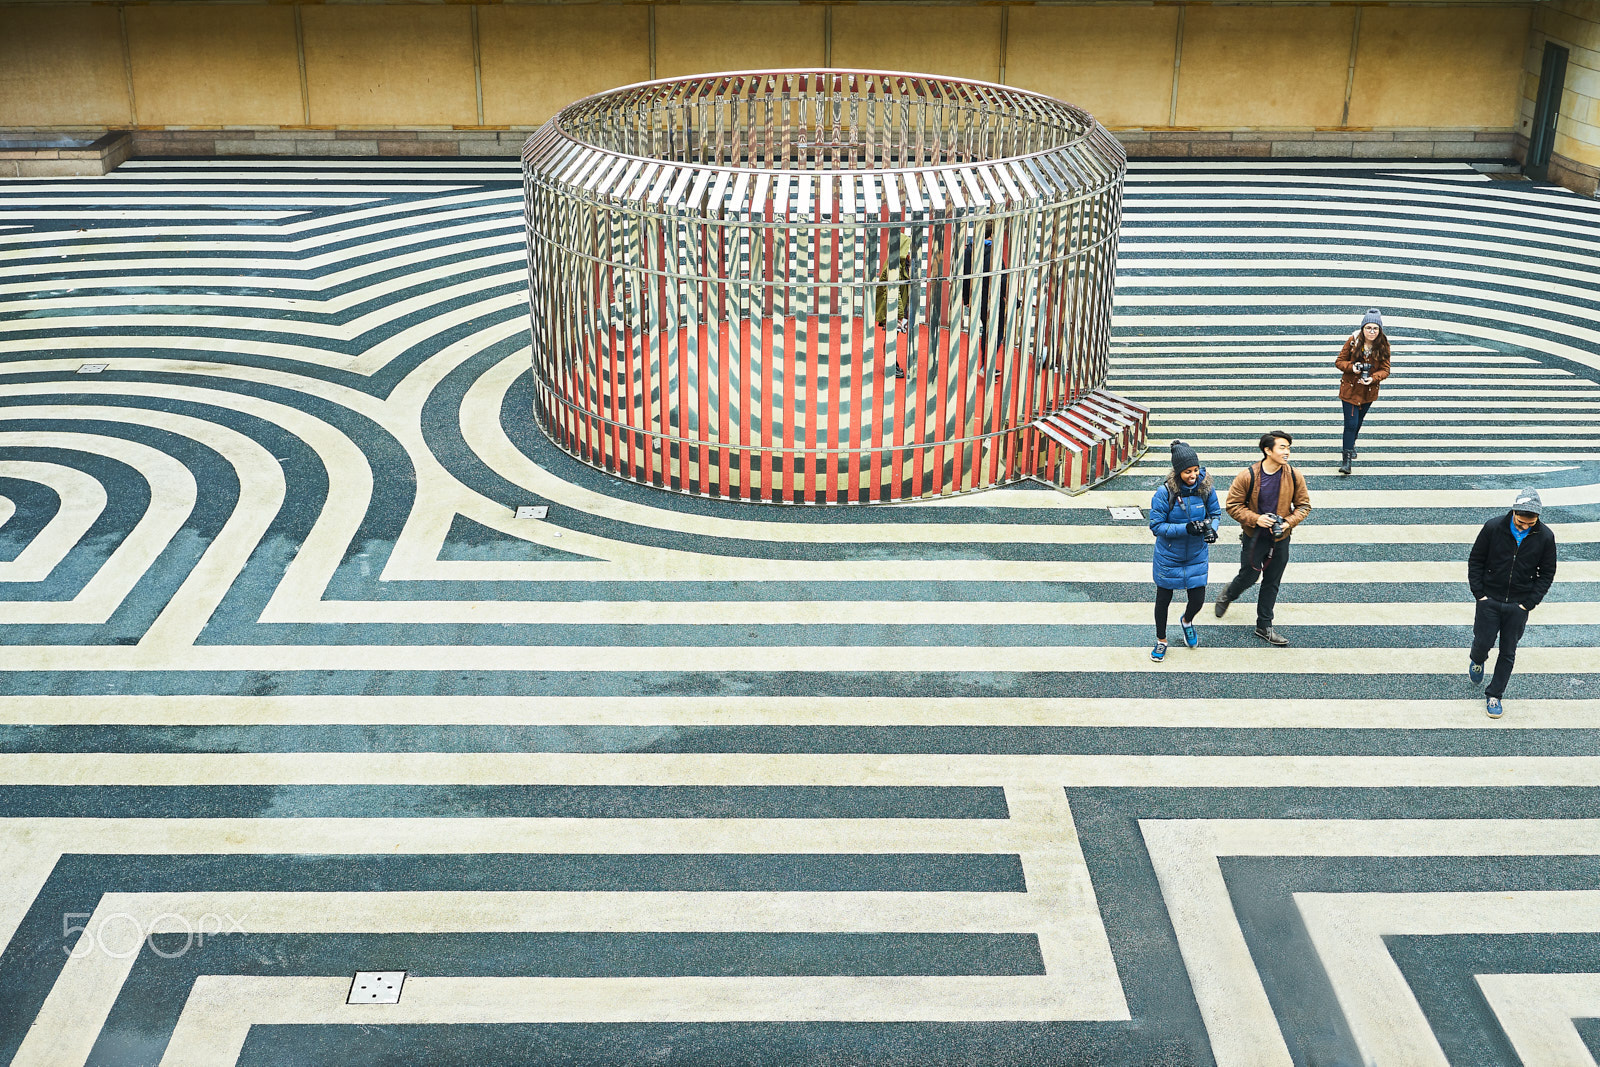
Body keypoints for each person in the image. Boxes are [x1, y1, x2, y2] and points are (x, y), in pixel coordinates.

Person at [1214, 430, 1312, 646]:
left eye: (1288, 447)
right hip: (1254, 536)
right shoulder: (1248, 476)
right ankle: (1229, 593)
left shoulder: (1294, 475)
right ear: (1267, 450)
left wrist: (1287, 522)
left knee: (1272, 581)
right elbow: (1232, 505)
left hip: (1280, 537)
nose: (1287, 452)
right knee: (1249, 576)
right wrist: (1256, 519)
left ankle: (1264, 626)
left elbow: (1304, 506)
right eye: (1282, 447)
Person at [1467, 488, 1558, 718]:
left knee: (1508, 651)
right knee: (1483, 642)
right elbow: (1476, 559)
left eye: (1531, 523)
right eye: (1520, 522)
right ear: (1514, 511)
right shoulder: (1493, 527)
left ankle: (1495, 695)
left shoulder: (1545, 537)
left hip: (1518, 604)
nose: (1525, 527)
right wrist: (1480, 594)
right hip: (1490, 599)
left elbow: (1547, 573)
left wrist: (1529, 603)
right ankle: (1477, 660)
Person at [1148, 441, 1222, 662]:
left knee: (1198, 599)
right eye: (1187, 471)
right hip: (1169, 555)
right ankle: (1161, 641)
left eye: (1195, 470)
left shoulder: (1206, 488)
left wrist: (1211, 529)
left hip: (1196, 555)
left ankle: (1187, 621)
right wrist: (1186, 529)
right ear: (1178, 471)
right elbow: (1156, 526)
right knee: (1163, 600)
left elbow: (1216, 513)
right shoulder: (1164, 493)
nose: (1192, 475)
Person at [1334, 308, 1391, 475]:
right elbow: (1339, 362)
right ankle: (1347, 460)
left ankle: (1351, 445)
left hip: (1368, 391)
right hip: (1350, 390)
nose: (1371, 332)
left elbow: (1386, 370)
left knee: (1357, 423)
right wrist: (1353, 368)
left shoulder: (1383, 345)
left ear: (1379, 330)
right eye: (1368, 328)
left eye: (1375, 328)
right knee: (1350, 425)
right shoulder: (1353, 341)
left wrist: (1373, 378)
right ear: (1362, 328)